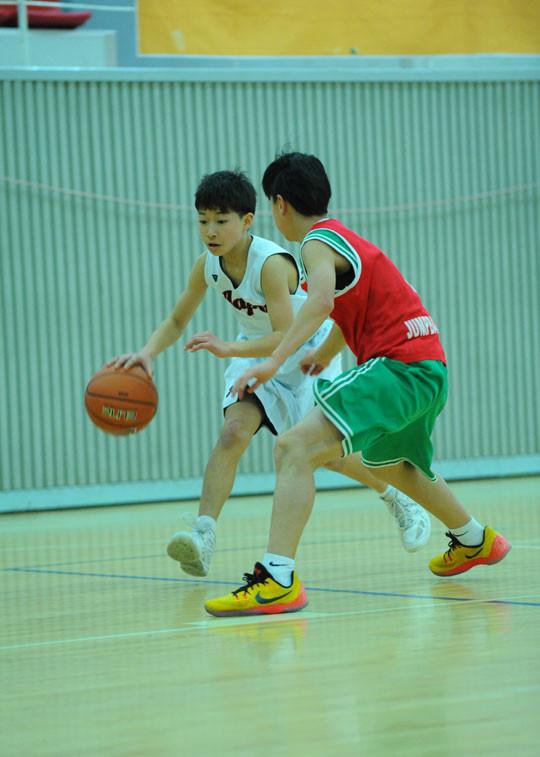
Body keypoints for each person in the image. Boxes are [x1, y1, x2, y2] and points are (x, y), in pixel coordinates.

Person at [204, 153, 511, 617]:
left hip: (399, 367)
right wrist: (324, 354)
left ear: (280, 204)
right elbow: (352, 310)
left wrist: (275, 361)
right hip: (429, 367)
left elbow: (320, 302)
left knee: (292, 448)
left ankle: (278, 579)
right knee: (392, 465)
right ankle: (474, 539)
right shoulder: (344, 238)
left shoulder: (314, 244)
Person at [108, 169, 430, 578]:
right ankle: (203, 536)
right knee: (233, 432)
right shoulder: (207, 265)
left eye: (221, 220)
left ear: (247, 220)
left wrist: (228, 348)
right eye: (203, 220)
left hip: (306, 351)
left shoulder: (271, 264)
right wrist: (146, 353)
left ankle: (397, 496)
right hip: (257, 351)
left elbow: (284, 335)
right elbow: (176, 320)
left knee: (327, 457)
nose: (210, 230)